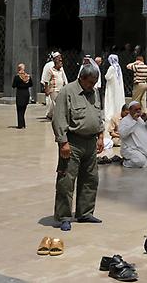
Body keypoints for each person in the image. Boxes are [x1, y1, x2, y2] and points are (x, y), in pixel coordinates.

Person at [51, 62, 104, 231]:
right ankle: (64, 216)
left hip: (90, 142)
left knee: (90, 179)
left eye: (95, 83)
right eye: (90, 82)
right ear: (81, 78)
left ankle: (85, 212)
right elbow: (59, 118)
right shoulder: (68, 92)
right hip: (72, 143)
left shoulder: (94, 92)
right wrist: (63, 142)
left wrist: (100, 136)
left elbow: (98, 114)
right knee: (66, 181)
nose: (92, 86)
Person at [103, 54, 126, 129]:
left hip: (111, 88)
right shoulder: (118, 67)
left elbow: (107, 77)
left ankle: (110, 114)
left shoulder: (112, 68)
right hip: (117, 87)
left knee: (110, 100)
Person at [42, 52, 67, 121]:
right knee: (56, 103)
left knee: (55, 104)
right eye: (59, 58)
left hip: (60, 89)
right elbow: (46, 80)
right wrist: (46, 90)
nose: (60, 60)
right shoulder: (50, 68)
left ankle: (50, 115)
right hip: (53, 89)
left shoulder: (61, 69)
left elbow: (64, 78)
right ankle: (57, 117)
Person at [12, 63, 33, 129]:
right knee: (23, 110)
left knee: (19, 110)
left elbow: (13, 85)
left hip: (20, 94)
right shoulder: (28, 77)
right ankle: (23, 124)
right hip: (26, 94)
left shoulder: (17, 77)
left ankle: (20, 125)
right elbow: (31, 84)